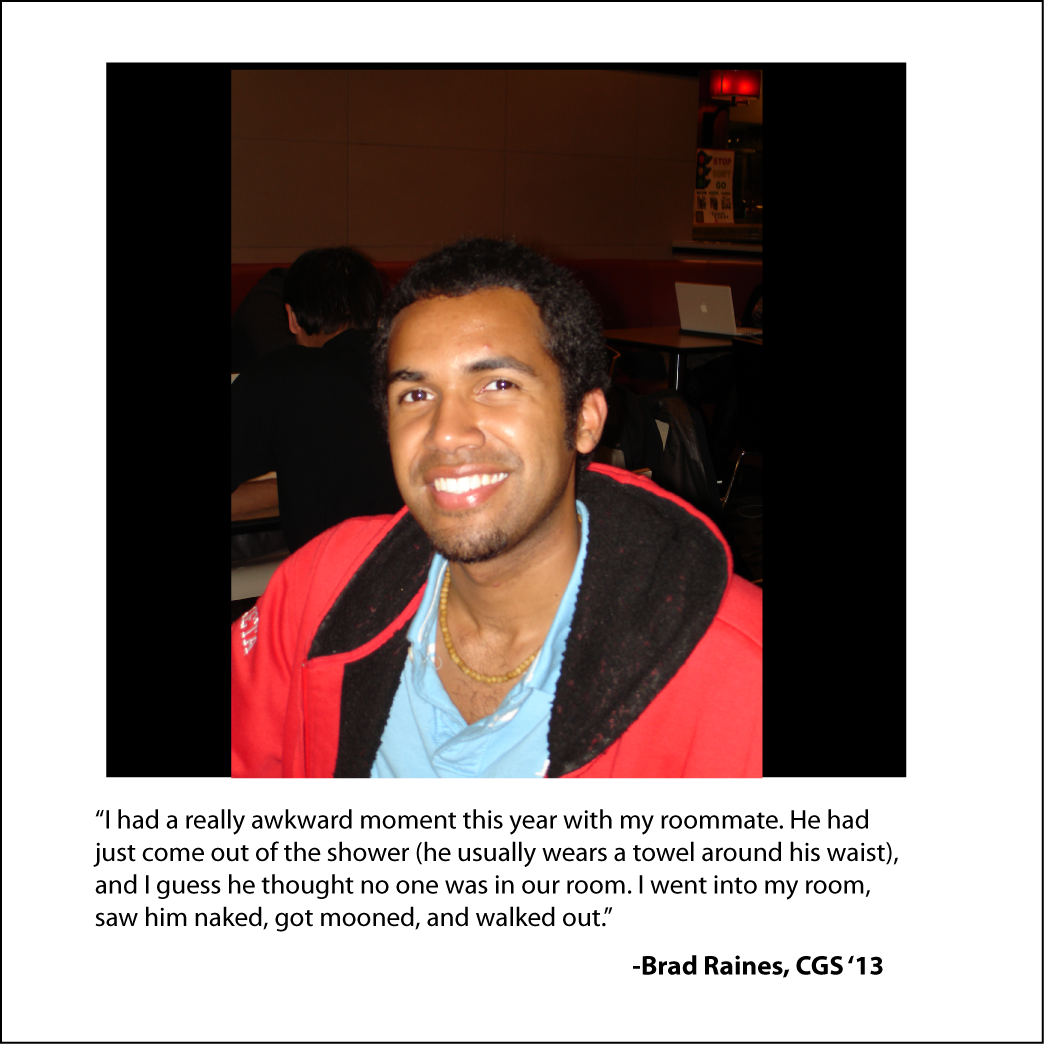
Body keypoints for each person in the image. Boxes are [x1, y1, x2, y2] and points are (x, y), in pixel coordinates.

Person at [232, 239, 761, 778]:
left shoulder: (736, 671)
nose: (446, 433)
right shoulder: (318, 590)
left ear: (584, 420)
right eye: (416, 395)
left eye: (498, 384)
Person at [231, 247, 403, 555]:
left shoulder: (277, 376)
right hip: (434, 571)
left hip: (332, 577)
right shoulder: (414, 368)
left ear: (292, 318)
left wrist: (285, 487)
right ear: (379, 315)